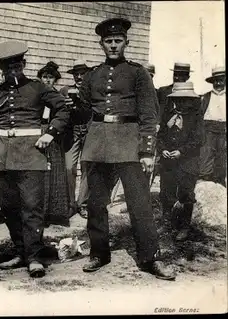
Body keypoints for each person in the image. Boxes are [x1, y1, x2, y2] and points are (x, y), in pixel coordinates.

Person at [78, 18, 176, 280]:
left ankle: (151, 257)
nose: (113, 45)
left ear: (126, 43)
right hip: (98, 144)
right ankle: (99, 253)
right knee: (96, 203)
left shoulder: (138, 73)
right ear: (101, 44)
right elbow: (84, 110)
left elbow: (148, 114)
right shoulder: (92, 75)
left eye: (117, 41)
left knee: (139, 202)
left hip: (129, 144)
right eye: (108, 41)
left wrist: (146, 151)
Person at [0, 41, 70, 278]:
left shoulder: (37, 88)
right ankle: (20, 251)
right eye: (7, 69)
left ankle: (35, 257)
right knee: (8, 207)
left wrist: (50, 133)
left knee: (31, 208)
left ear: (24, 65)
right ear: (1, 70)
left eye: (16, 67)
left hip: (31, 155)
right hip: (3, 157)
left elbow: (63, 110)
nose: (12, 72)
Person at [157, 82, 204, 242]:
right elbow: (161, 135)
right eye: (177, 99)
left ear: (190, 100)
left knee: (186, 193)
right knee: (166, 191)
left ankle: (184, 226)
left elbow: (198, 140)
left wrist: (181, 152)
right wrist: (162, 149)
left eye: (184, 99)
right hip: (168, 161)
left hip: (188, 162)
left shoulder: (196, 117)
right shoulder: (168, 114)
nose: (180, 103)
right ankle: (166, 222)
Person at [37, 61, 70, 226]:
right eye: (44, 77)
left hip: (53, 137)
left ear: (55, 80)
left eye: (50, 78)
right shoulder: (36, 96)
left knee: (55, 173)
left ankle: (54, 213)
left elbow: (64, 117)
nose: (47, 81)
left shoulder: (58, 97)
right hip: (37, 134)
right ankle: (40, 213)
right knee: (41, 173)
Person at [61, 60, 93, 219]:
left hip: (88, 130)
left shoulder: (93, 90)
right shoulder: (65, 91)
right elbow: (59, 112)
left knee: (87, 167)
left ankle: (83, 204)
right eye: (76, 74)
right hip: (71, 131)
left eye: (82, 74)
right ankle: (70, 204)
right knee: (68, 167)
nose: (79, 77)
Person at [199, 66, 226, 186]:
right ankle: (205, 183)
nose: (218, 83)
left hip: (224, 130)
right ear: (212, 82)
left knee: (222, 156)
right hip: (208, 129)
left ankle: (220, 183)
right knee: (206, 155)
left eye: (221, 80)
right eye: (216, 80)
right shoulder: (205, 97)